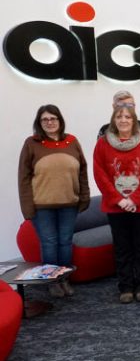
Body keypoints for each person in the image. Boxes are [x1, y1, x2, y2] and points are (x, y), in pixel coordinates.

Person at [18, 105, 90, 298]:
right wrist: (27, 207)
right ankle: (52, 282)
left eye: (53, 118)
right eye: (45, 119)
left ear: (60, 120)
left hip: (69, 204)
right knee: (49, 243)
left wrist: (84, 196)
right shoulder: (31, 143)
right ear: (39, 123)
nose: (50, 122)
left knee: (65, 243)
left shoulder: (72, 141)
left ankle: (63, 278)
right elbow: (23, 177)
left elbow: (82, 170)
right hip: (42, 207)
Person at [93, 106, 140, 303]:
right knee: (122, 247)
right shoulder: (103, 143)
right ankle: (126, 287)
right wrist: (119, 199)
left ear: (134, 120)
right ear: (114, 120)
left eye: (127, 117)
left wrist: (134, 199)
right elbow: (100, 174)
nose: (123, 120)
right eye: (119, 117)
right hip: (115, 206)